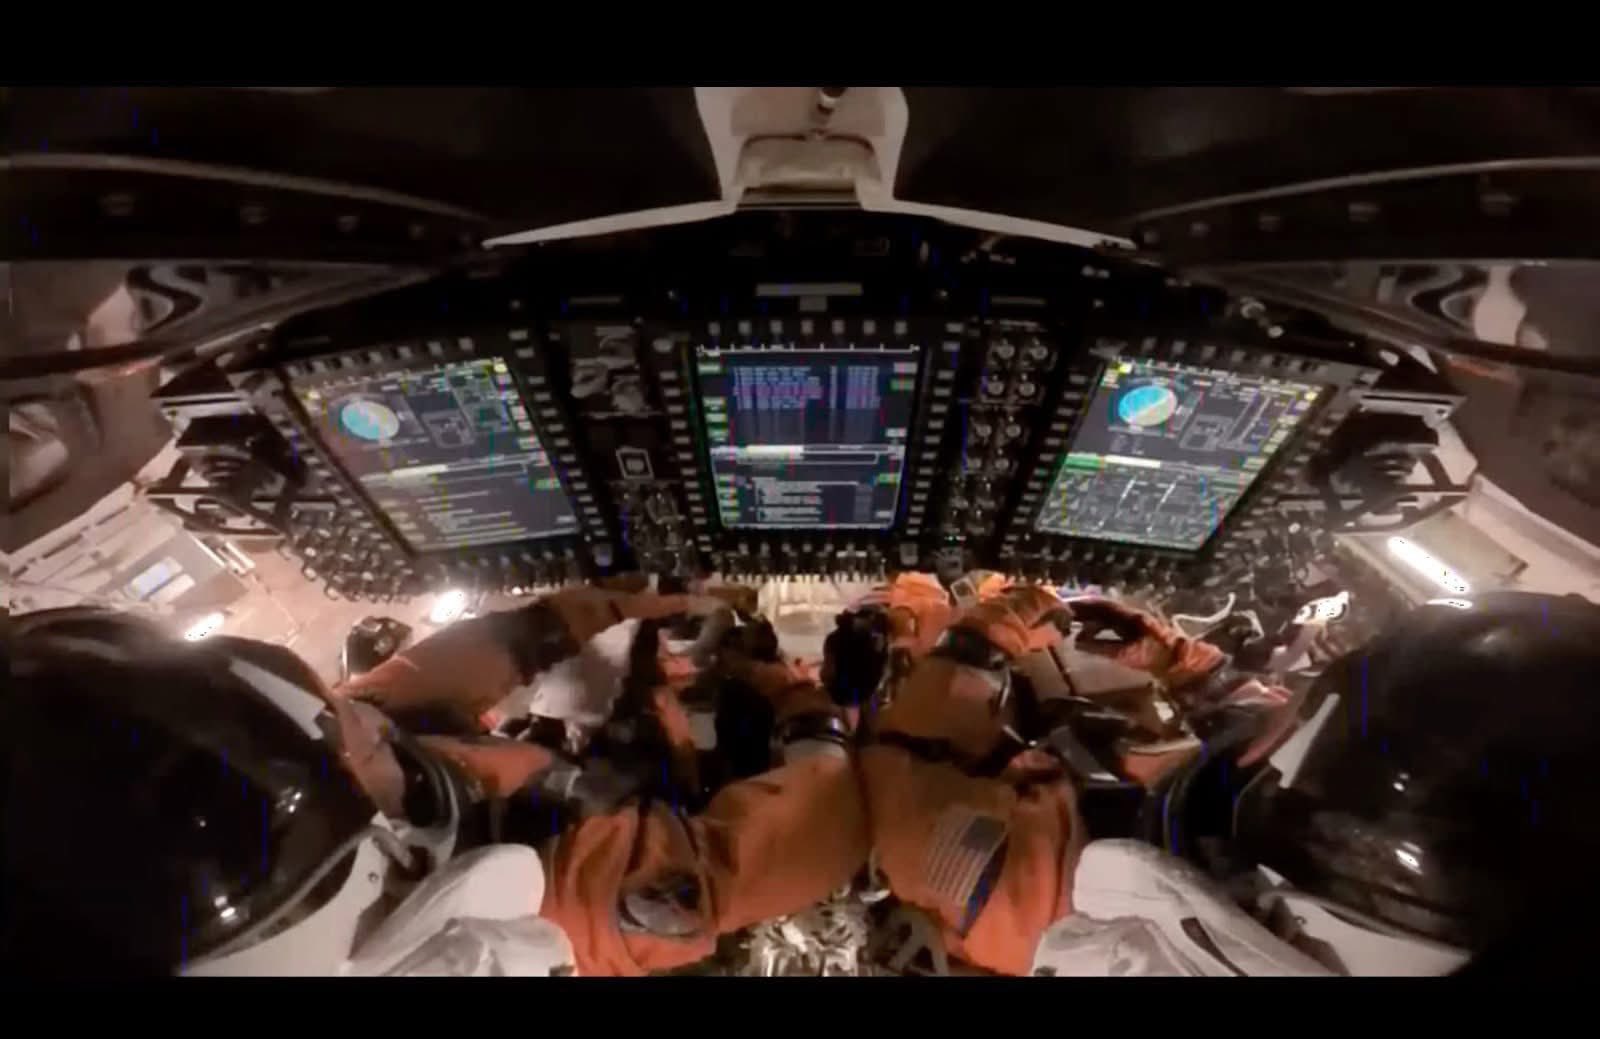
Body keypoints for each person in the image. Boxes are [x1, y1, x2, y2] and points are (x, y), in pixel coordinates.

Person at [4, 584, 869, 977]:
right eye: (353, 740)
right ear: (379, 860)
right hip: (652, 798)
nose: (362, 719)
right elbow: (821, 822)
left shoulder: (306, 753)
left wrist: (630, 601)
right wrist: (800, 700)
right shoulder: (567, 904)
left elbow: (482, 653)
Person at [856, 582, 1600, 977]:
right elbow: (1276, 735)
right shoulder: (1389, 886)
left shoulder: (1030, 902)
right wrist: (1182, 666)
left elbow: (903, 766)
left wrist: (984, 634)